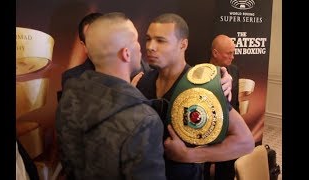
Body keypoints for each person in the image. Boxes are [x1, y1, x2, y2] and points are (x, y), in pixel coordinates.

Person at [136, 13, 254, 180]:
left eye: (161, 40)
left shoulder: (201, 86)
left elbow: (245, 142)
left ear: (183, 44)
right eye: (148, 39)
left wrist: (188, 155)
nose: (150, 46)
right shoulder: (144, 80)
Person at [56, 12, 166, 180]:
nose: (141, 47)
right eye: (136, 40)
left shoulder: (70, 97)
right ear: (126, 53)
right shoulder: (144, 120)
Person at [60, 12, 151, 91]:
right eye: (92, 39)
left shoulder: (142, 69)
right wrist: (128, 93)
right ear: (84, 45)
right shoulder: (73, 78)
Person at [204, 34, 240, 180]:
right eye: (229, 53)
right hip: (207, 129)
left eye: (233, 53)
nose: (232, 57)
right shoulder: (200, 73)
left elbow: (235, 101)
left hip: (229, 129)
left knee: (227, 169)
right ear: (215, 53)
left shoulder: (235, 70)